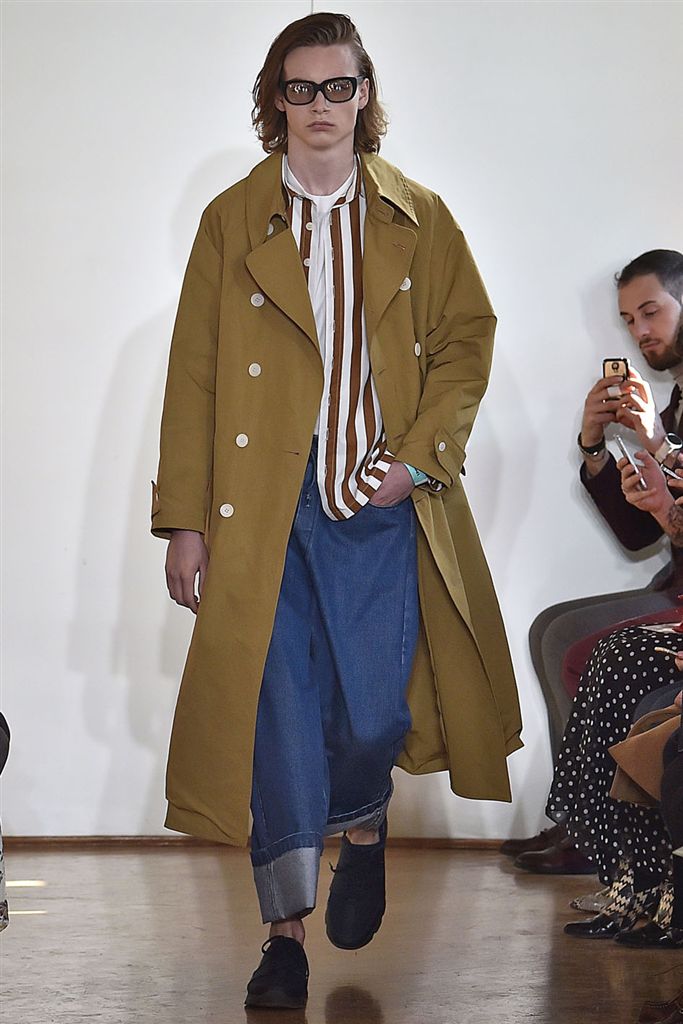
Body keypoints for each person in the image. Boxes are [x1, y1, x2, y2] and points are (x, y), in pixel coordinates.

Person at [151, 12, 521, 1009]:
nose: (320, 105)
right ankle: (283, 938)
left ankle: (362, 819)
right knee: (278, 718)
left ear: (364, 96)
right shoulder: (232, 219)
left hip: (374, 497)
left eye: (338, 86)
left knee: (372, 712)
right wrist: (184, 518)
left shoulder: (418, 216)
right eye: (300, 87)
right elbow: (194, 373)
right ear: (274, 101)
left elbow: (466, 343)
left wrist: (417, 461)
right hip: (260, 507)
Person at [510, 250, 683, 872]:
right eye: (629, 320)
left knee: (576, 643)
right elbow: (639, 534)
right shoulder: (674, 403)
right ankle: (579, 820)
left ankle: (591, 830)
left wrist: (656, 443)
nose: (640, 332)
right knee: (549, 629)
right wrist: (593, 446)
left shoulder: (667, 418)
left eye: (651, 312)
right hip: (674, 581)